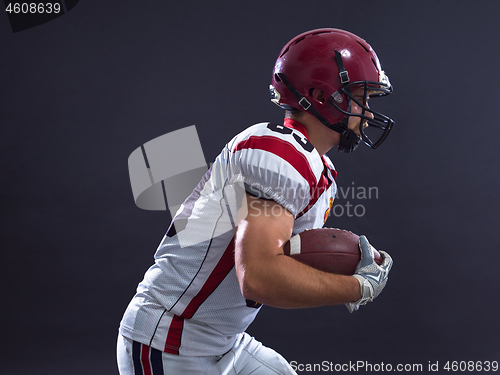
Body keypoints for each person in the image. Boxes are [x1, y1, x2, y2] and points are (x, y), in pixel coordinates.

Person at [117, 28, 394, 375]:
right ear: (321, 94)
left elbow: (286, 257)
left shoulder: (318, 169)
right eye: (359, 98)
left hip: (223, 341)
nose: (367, 113)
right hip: (173, 340)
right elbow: (260, 276)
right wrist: (357, 288)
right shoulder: (279, 155)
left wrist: (351, 263)